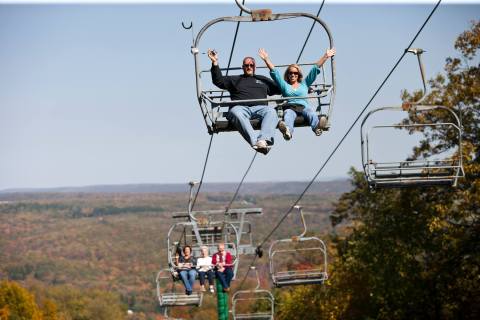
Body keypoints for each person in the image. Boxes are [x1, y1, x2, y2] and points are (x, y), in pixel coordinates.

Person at [207, 49, 281, 155]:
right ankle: (256, 142)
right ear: (243, 67)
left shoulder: (263, 79)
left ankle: (264, 139)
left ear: (255, 67)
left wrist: (304, 87)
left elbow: (281, 87)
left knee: (271, 111)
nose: (249, 67)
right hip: (241, 108)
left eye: (251, 65)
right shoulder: (235, 79)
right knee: (235, 112)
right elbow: (218, 80)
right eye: (246, 65)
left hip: (260, 109)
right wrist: (215, 62)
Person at [258, 47, 336, 140]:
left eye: (295, 73)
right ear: (287, 74)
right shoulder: (285, 86)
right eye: (290, 73)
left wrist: (326, 56)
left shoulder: (304, 84)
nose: (293, 75)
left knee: (310, 112)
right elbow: (275, 73)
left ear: (298, 75)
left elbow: (314, 70)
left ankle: (317, 127)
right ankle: (287, 132)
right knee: (288, 114)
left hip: (303, 106)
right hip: (291, 107)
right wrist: (266, 59)